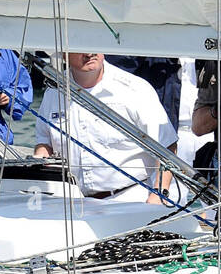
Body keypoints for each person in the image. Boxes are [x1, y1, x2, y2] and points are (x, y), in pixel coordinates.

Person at [34, 52, 179, 202]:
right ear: (64, 54)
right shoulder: (53, 92)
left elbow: (166, 144)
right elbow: (45, 143)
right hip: (71, 203)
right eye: (80, 47)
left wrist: (159, 193)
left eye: (94, 44)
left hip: (129, 200)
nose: (89, 53)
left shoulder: (134, 88)